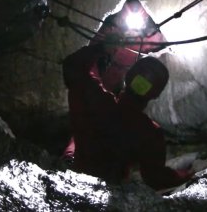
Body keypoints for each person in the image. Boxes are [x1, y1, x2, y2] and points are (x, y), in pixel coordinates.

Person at [61, 41, 193, 190]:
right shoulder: (149, 133)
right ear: (156, 95)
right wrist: (188, 174)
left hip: (73, 183)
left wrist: (101, 47)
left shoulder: (96, 100)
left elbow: (73, 67)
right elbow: (155, 178)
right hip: (109, 194)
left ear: (128, 76)